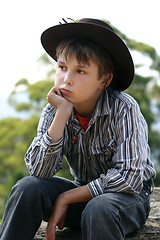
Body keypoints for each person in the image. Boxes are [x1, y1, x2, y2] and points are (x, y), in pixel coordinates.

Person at [0, 18, 156, 240]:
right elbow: (39, 172)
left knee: (100, 208)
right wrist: (62, 114)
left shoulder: (124, 108)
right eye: (62, 67)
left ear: (104, 80)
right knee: (27, 187)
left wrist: (67, 197)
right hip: (82, 196)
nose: (67, 79)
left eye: (80, 71)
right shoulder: (54, 110)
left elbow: (130, 177)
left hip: (125, 200)